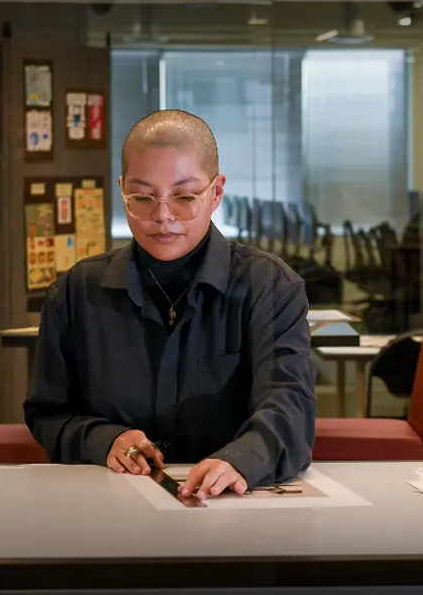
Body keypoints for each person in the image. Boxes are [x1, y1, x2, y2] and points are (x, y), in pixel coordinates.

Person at [24, 109, 316, 501]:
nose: (162, 216)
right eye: (143, 197)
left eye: (185, 196)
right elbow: (47, 413)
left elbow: (290, 405)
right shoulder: (76, 292)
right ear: (122, 189)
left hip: (231, 504)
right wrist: (102, 439)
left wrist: (241, 459)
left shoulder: (269, 286)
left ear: (216, 192)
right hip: (111, 504)